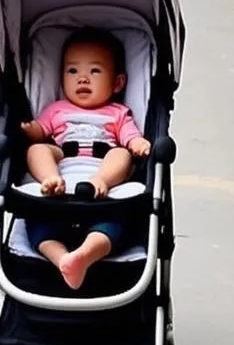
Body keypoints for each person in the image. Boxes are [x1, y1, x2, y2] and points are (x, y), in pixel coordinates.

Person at [21, 29, 150, 290]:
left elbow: (129, 137)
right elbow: (40, 130)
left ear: (117, 83)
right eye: (72, 71)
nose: (82, 78)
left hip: (103, 184)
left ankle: (86, 253)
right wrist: (26, 129)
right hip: (62, 173)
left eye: (95, 71)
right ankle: (66, 259)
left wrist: (137, 143)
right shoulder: (56, 109)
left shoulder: (118, 113)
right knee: (37, 150)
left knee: (121, 154)